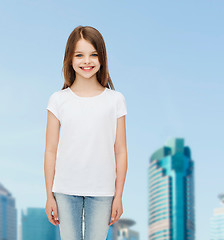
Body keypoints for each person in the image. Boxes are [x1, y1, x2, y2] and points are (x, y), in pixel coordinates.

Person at [44, 25, 128, 240]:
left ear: (102, 59)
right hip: (64, 189)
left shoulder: (115, 100)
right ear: (70, 59)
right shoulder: (58, 100)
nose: (87, 61)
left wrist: (118, 196)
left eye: (93, 55)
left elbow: (120, 151)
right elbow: (51, 151)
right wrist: (49, 196)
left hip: (103, 192)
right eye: (79, 55)